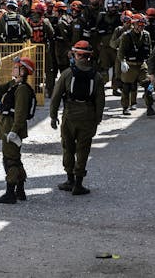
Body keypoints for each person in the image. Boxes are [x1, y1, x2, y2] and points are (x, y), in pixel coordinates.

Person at [49, 40, 105, 196]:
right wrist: (97, 119)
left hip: (70, 114)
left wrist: (53, 116)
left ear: (76, 55)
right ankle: (78, 184)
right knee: (83, 149)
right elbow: (100, 100)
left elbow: (55, 97)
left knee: (68, 147)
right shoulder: (97, 77)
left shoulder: (67, 73)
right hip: (88, 115)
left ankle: (69, 180)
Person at [0, 56, 37, 204]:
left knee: (10, 160)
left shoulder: (22, 89)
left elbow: (20, 113)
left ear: (23, 71)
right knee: (15, 158)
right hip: (8, 126)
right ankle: (20, 190)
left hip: (12, 127)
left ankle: (10, 193)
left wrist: (14, 131)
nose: (13, 68)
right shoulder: (13, 84)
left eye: (16, 67)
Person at [117, 13, 155, 115]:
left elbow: (150, 51)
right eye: (139, 24)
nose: (141, 27)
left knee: (149, 86)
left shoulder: (147, 35)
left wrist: (151, 64)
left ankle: (150, 107)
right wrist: (123, 62)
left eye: (143, 25)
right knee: (126, 88)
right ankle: (125, 107)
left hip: (142, 65)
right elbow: (121, 52)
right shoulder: (126, 36)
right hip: (130, 65)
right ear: (133, 24)